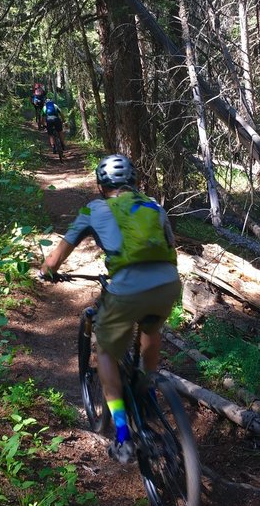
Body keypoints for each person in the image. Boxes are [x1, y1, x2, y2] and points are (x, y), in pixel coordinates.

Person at [40, 154, 181, 464]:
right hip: (169, 283)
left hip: (127, 289)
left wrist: (48, 270)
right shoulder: (154, 207)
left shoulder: (95, 208)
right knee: (152, 327)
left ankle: (121, 435)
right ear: (134, 182)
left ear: (101, 185)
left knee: (105, 352)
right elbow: (170, 247)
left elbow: (57, 256)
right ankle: (146, 385)